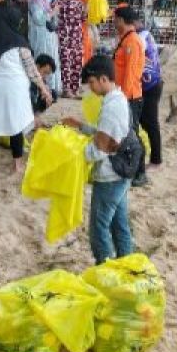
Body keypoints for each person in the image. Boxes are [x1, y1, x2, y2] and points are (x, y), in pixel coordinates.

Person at [60, 56, 133, 263]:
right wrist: (81, 126)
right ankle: (126, 265)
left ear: (103, 79)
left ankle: (104, 268)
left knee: (98, 228)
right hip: (121, 173)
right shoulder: (117, 99)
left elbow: (99, 149)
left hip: (110, 177)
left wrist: (72, 152)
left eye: (91, 82)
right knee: (119, 224)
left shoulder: (111, 107)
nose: (90, 88)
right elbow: (107, 134)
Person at [0, 5, 52, 173]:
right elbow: (32, 70)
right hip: (14, 88)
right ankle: (17, 164)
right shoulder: (21, 43)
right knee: (16, 125)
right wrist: (43, 88)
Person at [112, 6, 149, 187]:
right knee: (128, 134)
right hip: (124, 95)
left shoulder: (132, 42)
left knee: (132, 135)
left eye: (115, 19)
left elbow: (131, 73)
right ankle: (133, 169)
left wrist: (123, 99)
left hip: (130, 97)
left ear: (121, 20)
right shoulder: (125, 39)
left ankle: (140, 172)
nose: (113, 22)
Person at [53, 0, 88, 97]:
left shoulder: (78, 1)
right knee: (65, 63)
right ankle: (66, 89)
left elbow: (84, 18)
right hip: (64, 37)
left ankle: (76, 88)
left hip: (77, 37)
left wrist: (86, 9)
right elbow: (53, 18)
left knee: (77, 62)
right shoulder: (57, 1)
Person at [28, 0, 61, 97]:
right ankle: (40, 88)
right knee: (42, 60)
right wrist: (52, 13)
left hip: (48, 36)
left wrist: (53, 14)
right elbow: (38, 18)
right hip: (40, 36)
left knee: (50, 60)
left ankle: (50, 89)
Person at [138, 19, 164, 169]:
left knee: (151, 124)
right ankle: (155, 158)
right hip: (153, 82)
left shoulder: (140, 38)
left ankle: (156, 160)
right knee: (147, 122)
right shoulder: (146, 35)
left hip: (150, 85)